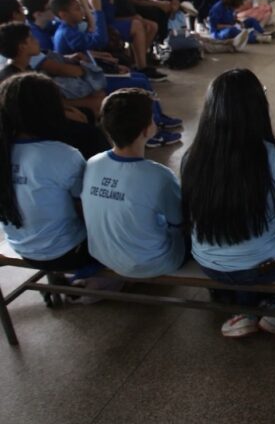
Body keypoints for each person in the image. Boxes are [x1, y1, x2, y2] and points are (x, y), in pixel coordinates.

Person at [181, 68, 275, 340]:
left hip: (209, 264)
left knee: (242, 241)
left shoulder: (192, 156)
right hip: (263, 265)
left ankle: (244, 310)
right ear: (258, 108)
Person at [82, 89, 186, 278]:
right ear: (147, 129)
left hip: (102, 255)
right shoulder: (159, 175)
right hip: (154, 262)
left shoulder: (92, 163)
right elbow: (179, 221)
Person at [0, 73, 95, 271]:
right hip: (68, 252)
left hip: (21, 248)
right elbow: (88, 208)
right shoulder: (62, 154)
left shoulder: (5, 150)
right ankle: (100, 281)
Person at [0, 23, 110, 157]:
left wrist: (68, 110)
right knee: (91, 133)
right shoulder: (10, 77)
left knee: (88, 114)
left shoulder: (26, 68)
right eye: (31, 39)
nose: (36, 41)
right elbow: (32, 112)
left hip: (46, 116)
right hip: (34, 127)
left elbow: (45, 101)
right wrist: (64, 114)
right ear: (22, 46)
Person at [207, 0, 275, 50]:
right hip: (219, 32)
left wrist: (238, 22)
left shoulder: (229, 7)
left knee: (251, 20)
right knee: (232, 31)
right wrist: (230, 26)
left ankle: (262, 33)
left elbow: (232, 18)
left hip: (232, 25)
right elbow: (215, 26)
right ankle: (257, 38)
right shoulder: (217, 9)